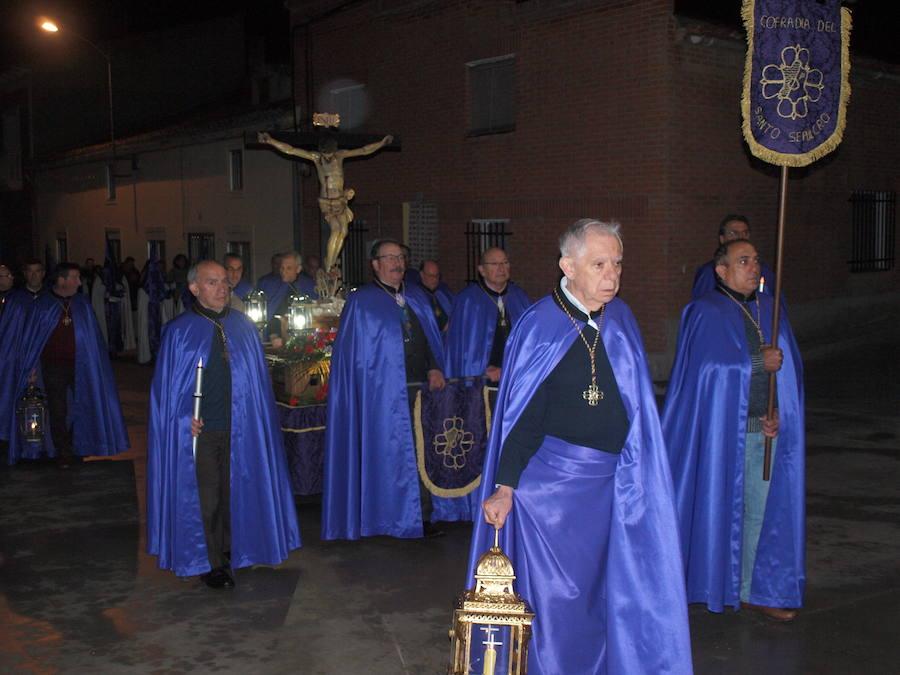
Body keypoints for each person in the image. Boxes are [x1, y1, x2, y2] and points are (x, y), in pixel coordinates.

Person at [469, 220, 692, 674]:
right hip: (554, 490)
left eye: (617, 264)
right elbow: (522, 416)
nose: (612, 275)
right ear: (568, 266)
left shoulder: (621, 316)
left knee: (617, 589)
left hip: (619, 481)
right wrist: (505, 486)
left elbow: (637, 405)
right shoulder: (539, 324)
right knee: (561, 598)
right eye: (599, 264)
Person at [662, 239, 805, 622]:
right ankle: (704, 583)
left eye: (756, 260)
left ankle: (751, 591)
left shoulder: (770, 308)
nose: (753, 267)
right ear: (721, 271)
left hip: (762, 429)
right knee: (717, 510)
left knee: (759, 513)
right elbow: (705, 373)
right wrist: (758, 361)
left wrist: (779, 411)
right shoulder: (704, 311)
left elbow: (789, 373)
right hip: (719, 434)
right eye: (743, 261)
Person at [146, 260, 301, 589]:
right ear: (194, 289)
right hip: (203, 431)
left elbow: (256, 384)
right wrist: (180, 418)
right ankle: (212, 562)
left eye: (224, 283)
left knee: (236, 492)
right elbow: (165, 392)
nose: (222, 288)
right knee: (208, 497)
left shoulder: (243, 326)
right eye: (212, 282)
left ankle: (233, 550)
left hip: (241, 428)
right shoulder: (180, 331)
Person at [324, 238, 473, 540]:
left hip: (421, 390)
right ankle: (385, 516)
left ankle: (423, 516)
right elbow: (353, 356)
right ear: (375, 264)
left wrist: (434, 367)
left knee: (423, 454)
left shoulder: (417, 297)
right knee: (388, 454)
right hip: (380, 396)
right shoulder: (362, 302)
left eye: (401, 257)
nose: (397, 263)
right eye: (389, 258)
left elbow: (431, 340)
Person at [5, 263, 130, 466]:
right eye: (75, 277)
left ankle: (79, 447)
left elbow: (93, 339)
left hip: (81, 365)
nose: (79, 282)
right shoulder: (42, 305)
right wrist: (32, 369)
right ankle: (62, 451)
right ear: (62, 280)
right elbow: (31, 343)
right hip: (52, 367)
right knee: (58, 410)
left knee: (83, 406)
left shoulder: (82, 304)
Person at [258, 131, 393, 272]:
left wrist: (382, 143)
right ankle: (329, 265)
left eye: (329, 154)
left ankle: (333, 262)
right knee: (335, 230)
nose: (327, 157)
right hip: (327, 201)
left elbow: (364, 151)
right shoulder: (317, 158)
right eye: (325, 154)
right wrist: (271, 141)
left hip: (340, 200)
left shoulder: (340, 156)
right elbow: (290, 150)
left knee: (344, 231)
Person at [444, 248, 530, 383]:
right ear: (482, 270)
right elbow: (459, 347)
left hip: (515, 377)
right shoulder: (467, 300)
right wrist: (484, 368)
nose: (501, 268)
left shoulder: (520, 297)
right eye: (494, 264)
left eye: (505, 263)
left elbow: (529, 341)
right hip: (483, 378)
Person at [692, 215, 777, 300]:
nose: (740, 237)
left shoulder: (764, 271)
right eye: (733, 233)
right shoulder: (709, 272)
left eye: (745, 233)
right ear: (722, 239)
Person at [256, 252, 318, 340]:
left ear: (298, 269)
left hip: (304, 336)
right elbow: (269, 314)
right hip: (276, 336)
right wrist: (273, 335)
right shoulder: (270, 284)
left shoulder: (310, 285)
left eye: (288, 268)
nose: (283, 271)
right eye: (282, 268)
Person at [416, 260, 454, 333]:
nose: (435, 279)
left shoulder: (443, 291)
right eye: (430, 276)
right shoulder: (416, 296)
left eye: (437, 275)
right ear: (421, 274)